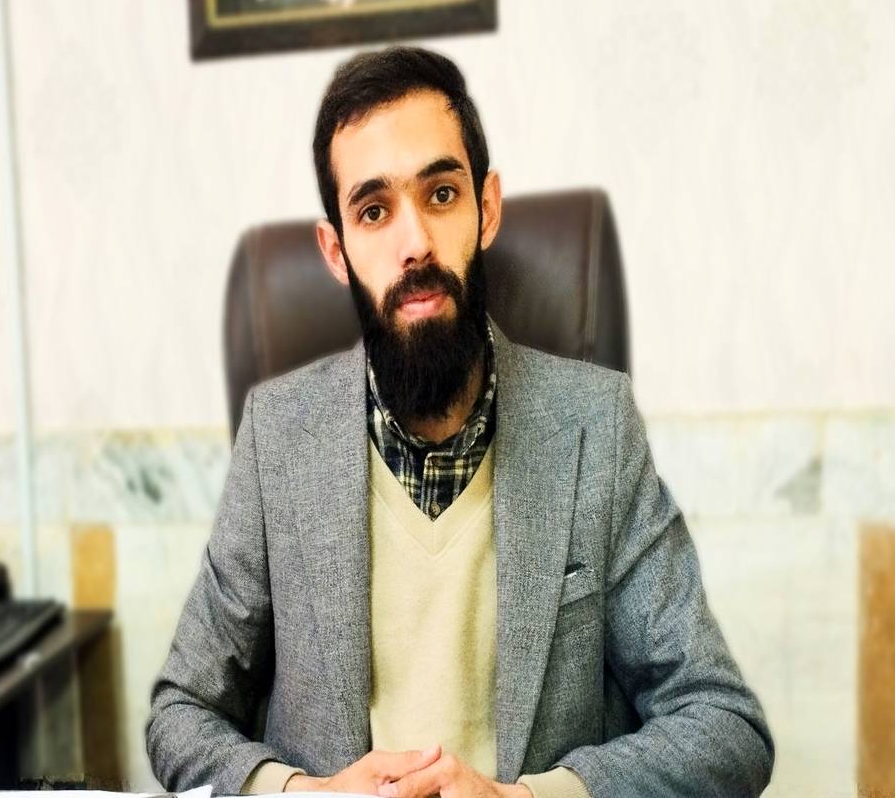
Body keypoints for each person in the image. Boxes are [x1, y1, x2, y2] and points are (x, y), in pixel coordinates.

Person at [148, 46, 773, 798]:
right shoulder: (277, 437)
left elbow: (724, 725)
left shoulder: (596, 429)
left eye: (441, 194)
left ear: (488, 208)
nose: (414, 242)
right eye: (373, 211)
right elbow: (180, 712)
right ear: (336, 251)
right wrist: (298, 794)